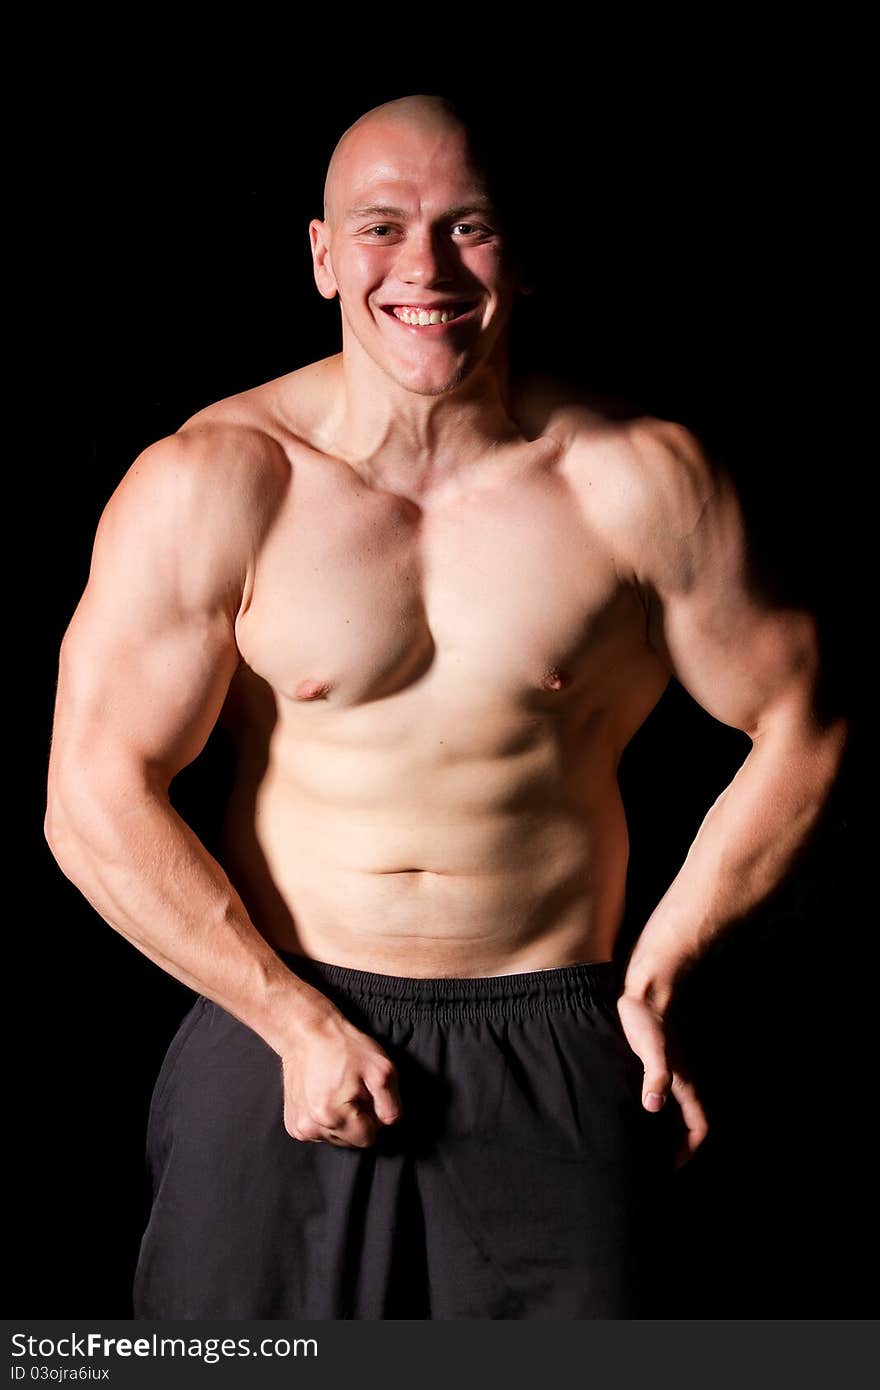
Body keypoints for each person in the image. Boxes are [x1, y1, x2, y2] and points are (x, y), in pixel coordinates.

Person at [44, 92, 848, 1320]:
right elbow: (90, 795)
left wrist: (665, 970)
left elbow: (804, 720)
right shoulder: (218, 480)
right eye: (380, 228)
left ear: (521, 258)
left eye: (464, 228)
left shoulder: (636, 481)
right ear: (321, 255)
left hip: (553, 1036)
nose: (420, 268)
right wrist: (284, 1016)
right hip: (277, 1030)